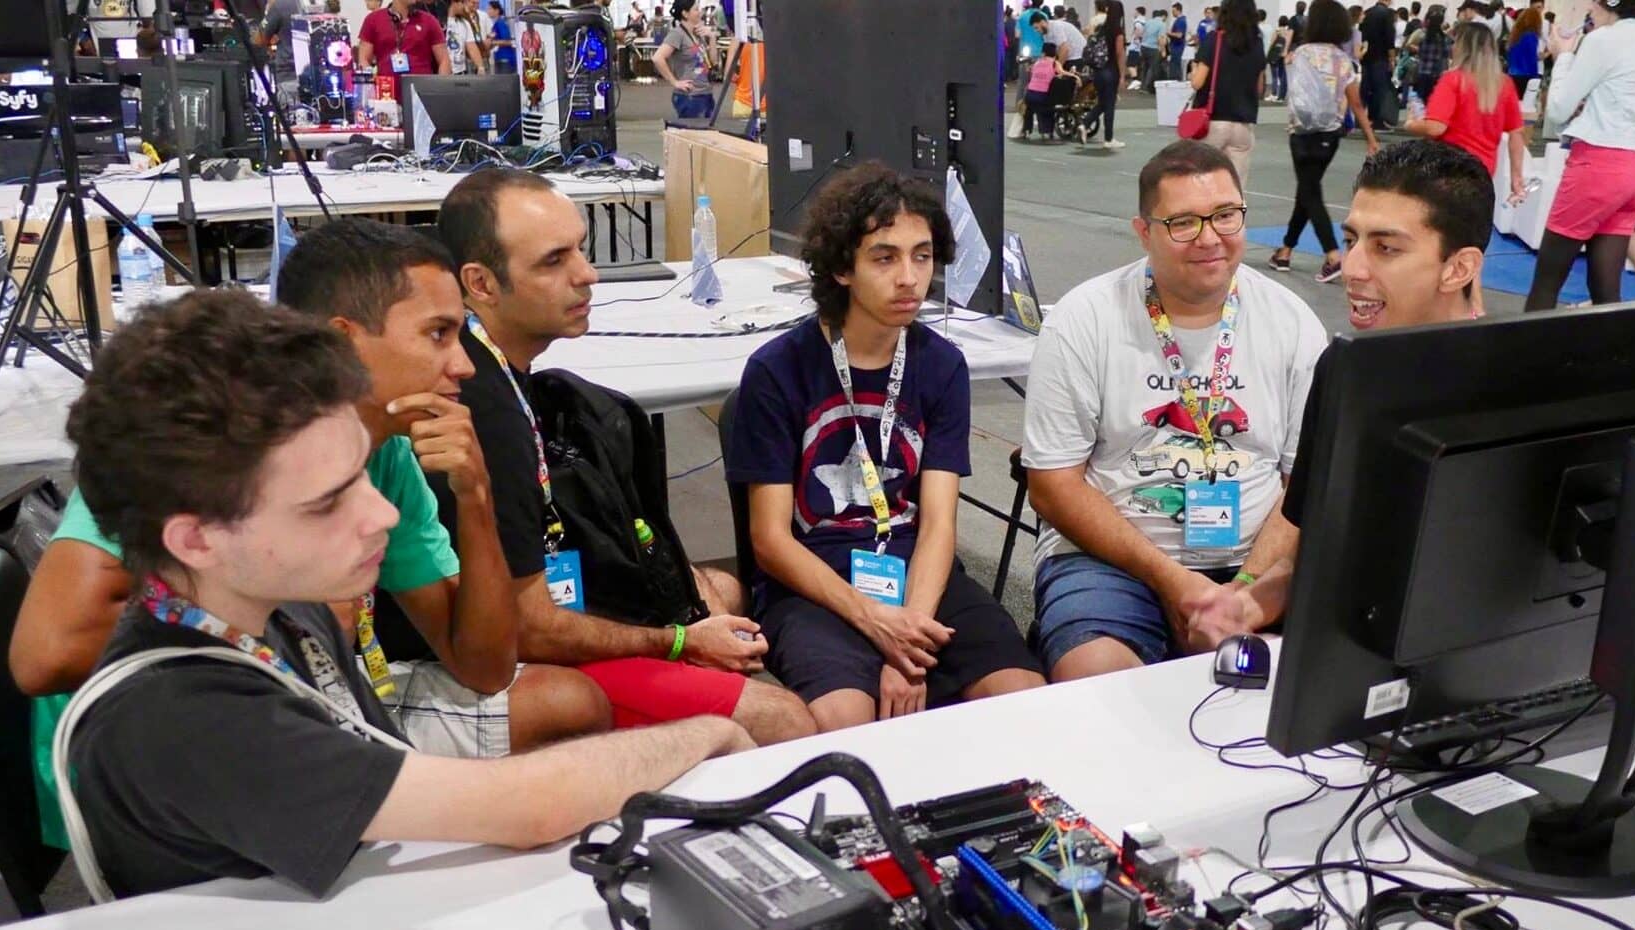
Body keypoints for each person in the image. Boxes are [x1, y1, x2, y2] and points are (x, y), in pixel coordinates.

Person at [53, 291, 755, 901]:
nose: (382, 514)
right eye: (327, 502)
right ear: (197, 540)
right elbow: (528, 807)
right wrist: (707, 733)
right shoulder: (187, 720)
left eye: (361, 477)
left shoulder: (277, 605)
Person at [8, 221, 614, 848]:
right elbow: (43, 656)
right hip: (163, 750)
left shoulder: (387, 449)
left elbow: (484, 668)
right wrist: (283, 616)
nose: (463, 364)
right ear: (343, 341)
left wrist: (476, 496)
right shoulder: (206, 442)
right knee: (514, 807)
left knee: (564, 711)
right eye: (438, 334)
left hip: (302, 688)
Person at [434, 169, 817, 744]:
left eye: (581, 248)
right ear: (481, 284)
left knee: (720, 588)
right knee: (785, 718)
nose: (587, 274)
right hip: (516, 660)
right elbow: (533, 630)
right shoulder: (485, 413)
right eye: (554, 261)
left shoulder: (492, 368)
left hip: (543, 607)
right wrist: (678, 642)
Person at [726, 165, 1045, 728]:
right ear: (842, 268)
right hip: (814, 583)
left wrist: (908, 636)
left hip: (916, 572)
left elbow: (940, 524)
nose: (909, 279)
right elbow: (770, 541)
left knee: (1024, 697)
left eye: (922, 257)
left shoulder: (941, 366)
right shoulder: (778, 370)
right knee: (847, 719)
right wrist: (876, 621)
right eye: (884, 258)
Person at [1022, 140, 1327, 681]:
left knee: (1315, 679)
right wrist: (1174, 583)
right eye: (1183, 223)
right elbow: (1052, 485)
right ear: (1144, 233)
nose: (1210, 238)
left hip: (1256, 563)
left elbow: (1303, 484)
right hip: (1113, 562)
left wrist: (1243, 592)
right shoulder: (1083, 319)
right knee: (1094, 678)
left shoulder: (1291, 321)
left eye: (1226, 215)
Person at [1245, 139, 1490, 610]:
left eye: (1386, 248)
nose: (1351, 268)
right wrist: (1248, 597)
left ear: (1458, 268)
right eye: (1351, 241)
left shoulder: (1517, 385)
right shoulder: (1343, 370)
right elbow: (1316, 540)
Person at [1524, 0, 1635, 311]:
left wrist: (1563, 57)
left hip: (1597, 167)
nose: (1589, 9)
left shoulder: (1603, 40)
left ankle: (1527, 345)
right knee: (1606, 291)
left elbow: (1557, 110)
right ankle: (1610, 343)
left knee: (1547, 282)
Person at [1405, 21, 1517, 315]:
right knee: (1465, 238)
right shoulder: (1503, 85)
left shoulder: (1453, 81)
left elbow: (1435, 126)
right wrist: (1517, 176)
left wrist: (1411, 124)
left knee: (1443, 238)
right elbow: (1516, 133)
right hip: (1483, 172)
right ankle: (1471, 304)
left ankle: (1471, 303)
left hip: (1449, 170)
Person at [1271, 0, 1380, 281]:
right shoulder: (1343, 61)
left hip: (1301, 132)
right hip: (1329, 135)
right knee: (1308, 189)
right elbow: (1356, 103)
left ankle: (1333, 254)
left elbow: (1293, 88)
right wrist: (1371, 138)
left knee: (1310, 191)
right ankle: (1285, 251)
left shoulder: (1300, 54)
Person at [1190, 0, 1267, 182]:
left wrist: (1193, 68)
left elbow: (1197, 83)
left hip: (1213, 121)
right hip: (1243, 124)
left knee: (1204, 180)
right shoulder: (1257, 44)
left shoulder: (1214, 40)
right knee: (1235, 185)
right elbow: (1259, 88)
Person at [653, 0, 714, 120]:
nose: (700, 12)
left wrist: (712, 38)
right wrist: (675, 82)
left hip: (705, 92)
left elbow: (713, 61)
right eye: (696, 9)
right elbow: (657, 58)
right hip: (690, 96)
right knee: (694, 130)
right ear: (685, 14)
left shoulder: (698, 34)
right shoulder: (677, 34)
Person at [358, 0, 451, 75]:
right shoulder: (373, 20)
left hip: (421, 89)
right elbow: (363, 59)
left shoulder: (429, 21)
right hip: (386, 89)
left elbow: (444, 60)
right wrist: (372, 86)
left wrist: (439, 88)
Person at [1090, 0, 1129, 147]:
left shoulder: (1101, 28)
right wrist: (1122, 75)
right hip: (1111, 71)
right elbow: (1120, 54)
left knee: (1102, 102)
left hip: (1098, 70)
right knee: (1109, 105)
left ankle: (1084, 123)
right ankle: (1108, 138)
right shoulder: (1117, 31)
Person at [1360, 0, 1398, 129]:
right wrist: (1392, 58)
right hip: (1380, 57)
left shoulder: (1367, 12)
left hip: (1366, 56)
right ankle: (1376, 120)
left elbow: (1361, 34)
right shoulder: (1387, 14)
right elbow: (1389, 37)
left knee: (1365, 88)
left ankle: (1360, 119)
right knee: (1379, 89)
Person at [1405, 3, 1451, 104]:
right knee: (1434, 101)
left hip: (1422, 72)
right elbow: (1446, 55)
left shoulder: (1422, 34)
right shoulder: (1444, 38)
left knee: (1421, 101)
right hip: (1437, 74)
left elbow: (1412, 47)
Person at [1020, 43, 1065, 139]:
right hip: (1042, 96)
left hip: (1030, 94)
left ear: (1043, 53)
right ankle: (1046, 131)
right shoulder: (1055, 63)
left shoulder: (1037, 63)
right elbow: (1062, 73)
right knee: (1048, 108)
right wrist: (1075, 76)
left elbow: (1031, 73)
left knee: (1029, 109)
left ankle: (1026, 130)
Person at [1505, 5, 1541, 99]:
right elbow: (1532, 59)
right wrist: (1536, 77)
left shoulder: (1515, 34)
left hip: (1511, 74)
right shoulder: (1531, 36)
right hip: (1525, 76)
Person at [444, 0, 486, 75]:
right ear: (454, 2)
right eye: (462, 3)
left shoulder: (465, 23)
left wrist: (480, 66)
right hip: (443, 73)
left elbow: (471, 46)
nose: (464, 6)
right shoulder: (440, 22)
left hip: (460, 72)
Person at [486, 1, 517, 73]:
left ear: (497, 11)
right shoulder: (496, 24)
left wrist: (492, 42)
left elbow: (507, 41)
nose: (488, 11)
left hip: (505, 59)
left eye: (490, 9)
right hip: (499, 59)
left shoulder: (501, 23)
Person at [1267, 15, 1293, 99]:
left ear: (1279, 22)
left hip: (1275, 55)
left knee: (1274, 75)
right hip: (1283, 55)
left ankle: (1274, 93)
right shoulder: (1288, 32)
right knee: (1281, 75)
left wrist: (1268, 53)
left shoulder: (1277, 31)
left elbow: (1272, 43)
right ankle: (1281, 94)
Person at [1142, 8, 1169, 84]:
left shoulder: (1148, 22)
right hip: (1153, 48)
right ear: (1163, 16)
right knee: (1152, 68)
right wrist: (1163, 51)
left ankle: (1142, 85)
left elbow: (1143, 34)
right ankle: (1148, 86)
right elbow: (1161, 39)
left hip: (1143, 47)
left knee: (1145, 67)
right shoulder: (1162, 24)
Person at [1168, 2, 1189, 78]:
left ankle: (1177, 80)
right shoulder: (1178, 20)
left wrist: (1169, 33)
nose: (1172, 13)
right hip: (1175, 46)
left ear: (1178, 10)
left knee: (1176, 66)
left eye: (1173, 11)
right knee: (1174, 65)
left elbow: (1179, 35)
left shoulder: (1181, 21)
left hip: (1177, 47)